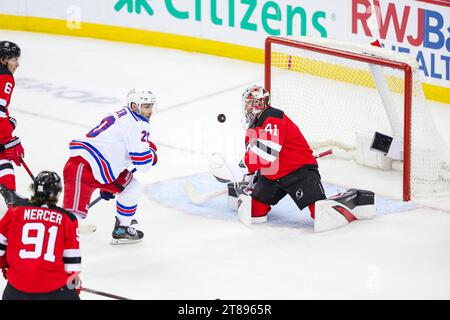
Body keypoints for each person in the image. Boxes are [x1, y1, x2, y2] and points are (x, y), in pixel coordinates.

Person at [235, 85, 375, 231]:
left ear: (260, 103)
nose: (247, 107)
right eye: (246, 103)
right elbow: (254, 157)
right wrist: (250, 178)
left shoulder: (273, 117)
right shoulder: (252, 126)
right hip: (272, 176)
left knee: (322, 214)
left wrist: (244, 164)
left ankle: (351, 200)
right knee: (253, 213)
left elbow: (266, 154)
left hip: (298, 172)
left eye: (250, 103)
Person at [63, 89, 158, 244]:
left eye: (151, 106)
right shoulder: (138, 124)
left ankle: (122, 228)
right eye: (146, 107)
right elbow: (142, 164)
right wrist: (151, 154)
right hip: (83, 167)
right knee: (71, 217)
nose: (150, 111)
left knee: (131, 187)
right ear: (134, 106)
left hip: (99, 167)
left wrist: (107, 182)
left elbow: (112, 146)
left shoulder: (122, 115)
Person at [0, 171, 81, 300]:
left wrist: (5, 265)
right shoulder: (68, 219)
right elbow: (72, 265)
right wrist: (74, 285)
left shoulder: (14, 212)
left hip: (16, 290)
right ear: (57, 192)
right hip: (54, 290)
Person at [0, 41, 25, 192]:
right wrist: (7, 137)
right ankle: (11, 196)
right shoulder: (5, 78)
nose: (17, 64)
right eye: (14, 59)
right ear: (3, 60)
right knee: (3, 153)